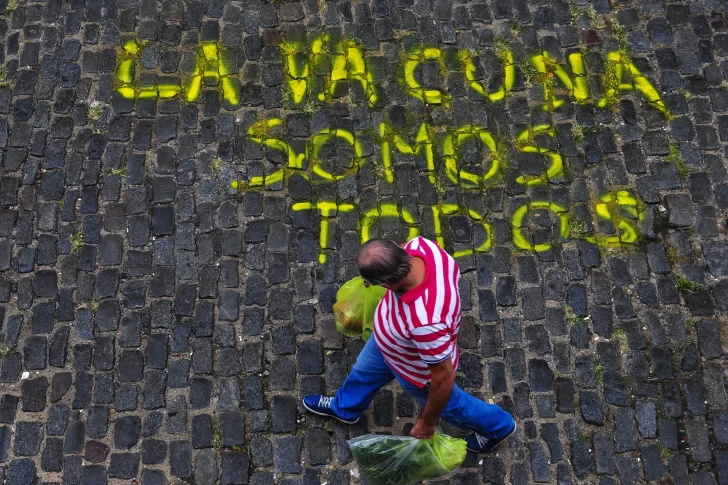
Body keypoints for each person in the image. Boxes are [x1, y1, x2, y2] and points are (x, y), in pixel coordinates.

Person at [303, 237, 517, 453]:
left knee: (454, 406)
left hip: (415, 370)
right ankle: (345, 408)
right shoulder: (422, 246)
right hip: (387, 343)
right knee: (363, 372)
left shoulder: (426, 323)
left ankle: (498, 427)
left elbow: (444, 377)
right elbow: (403, 247)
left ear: (388, 284)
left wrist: (428, 422)